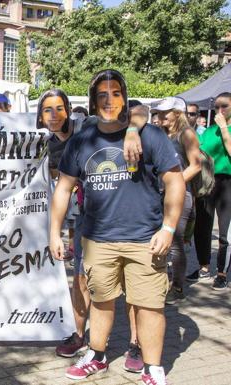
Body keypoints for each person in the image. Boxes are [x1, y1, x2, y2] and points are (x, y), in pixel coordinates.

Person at [50, 69, 184, 384]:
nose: (109, 100)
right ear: (93, 101)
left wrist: (167, 227)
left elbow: (175, 180)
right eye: (101, 95)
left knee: (149, 306)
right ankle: (96, 355)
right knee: (101, 300)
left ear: (125, 96)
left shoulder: (150, 135)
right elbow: (63, 188)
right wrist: (54, 232)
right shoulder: (82, 140)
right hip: (97, 239)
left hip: (144, 238)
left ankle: (152, 368)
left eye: (116, 93)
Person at [43, 91, 146, 373]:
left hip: (125, 219)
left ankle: (135, 344)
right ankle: (81, 337)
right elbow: (61, 184)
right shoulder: (51, 145)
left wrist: (134, 130)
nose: (53, 116)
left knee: (130, 287)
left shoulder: (88, 126)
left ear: (69, 110)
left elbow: (139, 109)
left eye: (59, 109)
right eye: (47, 111)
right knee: (81, 280)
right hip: (87, 222)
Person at [151, 97, 201, 304]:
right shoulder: (160, 134)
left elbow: (195, 165)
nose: (161, 116)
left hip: (181, 195)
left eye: (166, 112)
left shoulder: (186, 134)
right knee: (157, 238)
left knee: (175, 242)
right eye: (160, 112)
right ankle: (159, 282)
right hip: (159, 195)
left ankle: (178, 287)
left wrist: (174, 184)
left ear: (178, 113)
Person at [192, 92, 231, 290]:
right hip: (208, 182)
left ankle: (222, 272)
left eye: (224, 106)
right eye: (216, 107)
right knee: (202, 227)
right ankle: (203, 266)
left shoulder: (226, 128)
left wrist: (224, 127)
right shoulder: (207, 131)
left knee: (225, 231)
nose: (219, 110)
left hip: (228, 182)